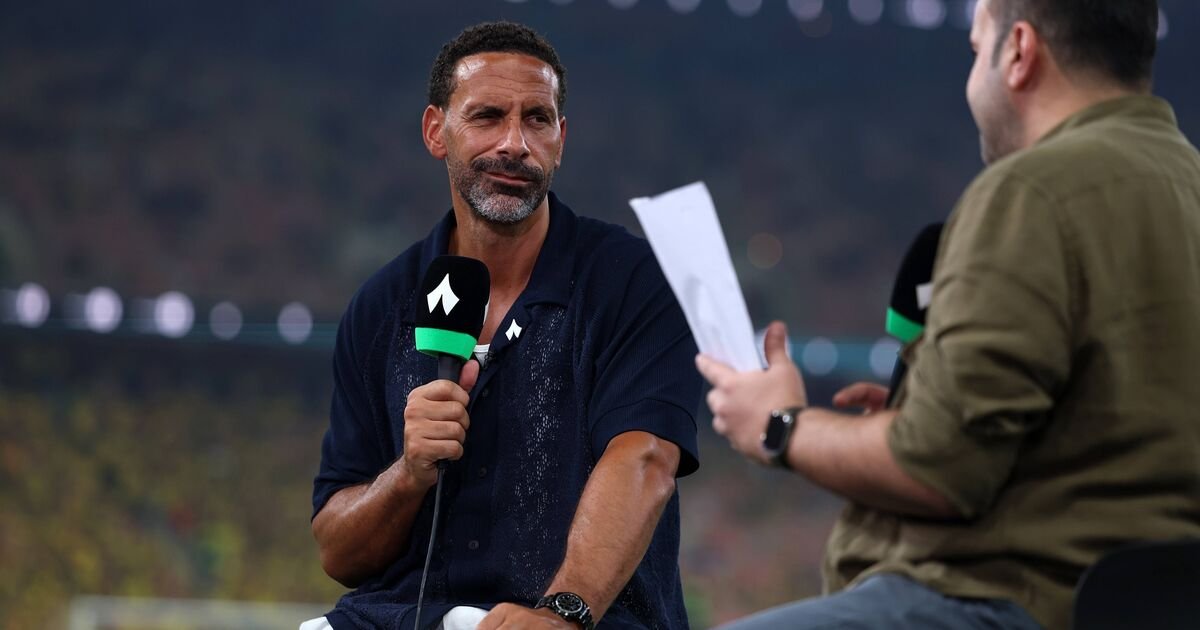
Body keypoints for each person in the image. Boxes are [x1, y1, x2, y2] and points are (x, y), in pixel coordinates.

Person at [696, 1, 1200, 629]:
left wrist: (780, 425)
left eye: (975, 49)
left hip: (1010, 600)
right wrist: (924, 406)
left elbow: (936, 469)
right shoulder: (1185, 181)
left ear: (1018, 52)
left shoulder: (1033, 191)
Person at [307, 22, 701, 630]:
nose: (515, 143)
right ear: (436, 131)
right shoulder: (381, 306)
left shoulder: (632, 281)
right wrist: (407, 475)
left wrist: (563, 612)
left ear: (561, 140)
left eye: (537, 120)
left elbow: (644, 459)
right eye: (487, 116)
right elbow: (338, 553)